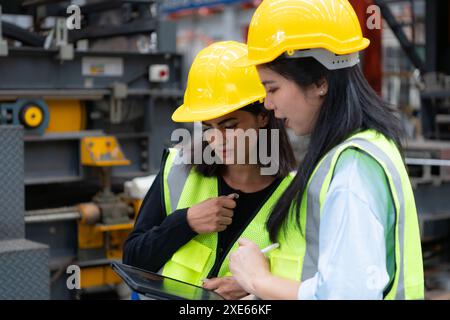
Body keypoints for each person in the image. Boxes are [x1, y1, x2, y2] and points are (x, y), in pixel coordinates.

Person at [229, 0, 424, 300]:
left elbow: (347, 295)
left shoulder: (352, 172)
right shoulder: (358, 149)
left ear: (320, 82)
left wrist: (259, 280)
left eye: (273, 88)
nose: (268, 104)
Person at [123, 41, 297, 300]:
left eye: (230, 125)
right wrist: (185, 222)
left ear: (263, 116)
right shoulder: (178, 171)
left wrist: (257, 284)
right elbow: (133, 259)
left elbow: (308, 281)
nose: (218, 139)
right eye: (209, 128)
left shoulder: (295, 194)